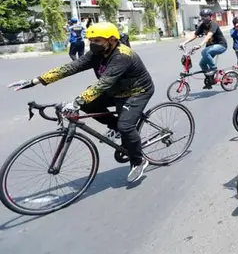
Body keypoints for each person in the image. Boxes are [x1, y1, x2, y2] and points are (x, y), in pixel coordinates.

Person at [8, 22, 155, 182]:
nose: (92, 44)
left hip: (136, 92)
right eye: (91, 40)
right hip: (114, 90)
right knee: (89, 105)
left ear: (112, 40)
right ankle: (116, 127)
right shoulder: (96, 54)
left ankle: (138, 161)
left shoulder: (122, 56)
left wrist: (77, 101)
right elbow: (71, 67)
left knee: (125, 126)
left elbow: (103, 83)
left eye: (97, 40)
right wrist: (36, 80)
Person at [180, 9, 228, 90]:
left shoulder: (213, 25)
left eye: (206, 16)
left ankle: (213, 68)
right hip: (211, 47)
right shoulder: (202, 26)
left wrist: (200, 45)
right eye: (202, 17)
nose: (204, 18)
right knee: (202, 64)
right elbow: (194, 35)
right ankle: (210, 80)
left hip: (221, 46)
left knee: (204, 51)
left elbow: (209, 35)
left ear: (210, 17)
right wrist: (184, 43)